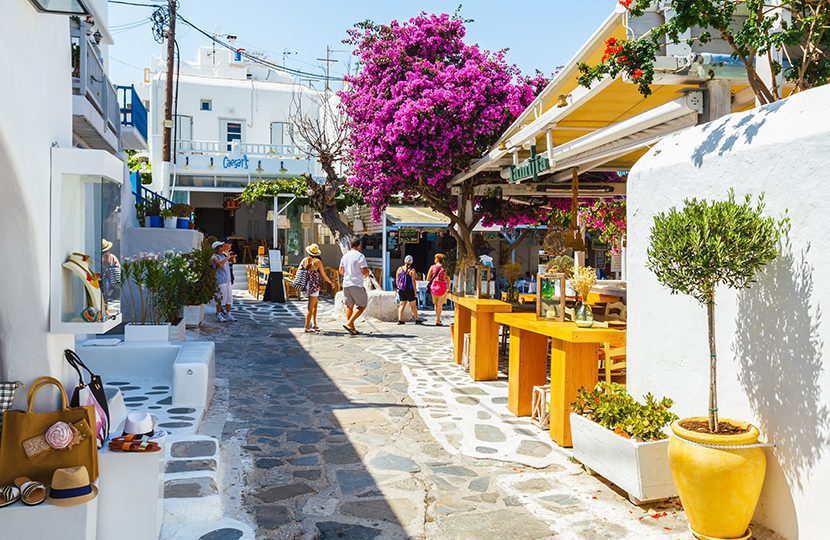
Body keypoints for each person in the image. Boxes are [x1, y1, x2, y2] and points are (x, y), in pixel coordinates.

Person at [339, 236, 370, 335]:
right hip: (356, 283)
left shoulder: (345, 256)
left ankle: (352, 329)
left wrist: (349, 274)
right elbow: (364, 270)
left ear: (350, 245)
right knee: (362, 305)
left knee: (349, 306)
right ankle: (349, 323)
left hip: (346, 283)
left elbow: (341, 271)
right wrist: (366, 273)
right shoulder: (360, 256)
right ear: (359, 246)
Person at [300, 244, 334, 333]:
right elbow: (323, 274)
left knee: (315, 304)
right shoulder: (317, 262)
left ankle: (314, 324)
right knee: (310, 307)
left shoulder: (305, 260)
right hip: (314, 286)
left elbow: (300, 271)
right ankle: (306, 327)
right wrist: (330, 282)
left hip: (307, 285)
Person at [211, 240, 236, 322]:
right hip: (220, 280)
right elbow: (220, 264)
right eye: (221, 246)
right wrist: (227, 258)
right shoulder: (214, 257)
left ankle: (228, 314)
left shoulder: (224, 255)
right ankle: (219, 314)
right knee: (220, 298)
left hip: (227, 280)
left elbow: (231, 263)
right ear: (217, 248)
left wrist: (231, 258)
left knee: (229, 299)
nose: (223, 247)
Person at [426, 253, 451, 326]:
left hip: (433, 287)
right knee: (440, 304)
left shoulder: (432, 267)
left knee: (436, 304)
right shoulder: (445, 268)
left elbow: (428, 278)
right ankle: (438, 320)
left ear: (436, 259)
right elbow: (448, 279)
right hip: (442, 287)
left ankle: (438, 319)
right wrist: (449, 287)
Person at [396, 255, 421, 325]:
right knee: (413, 305)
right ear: (411, 262)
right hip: (409, 290)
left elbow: (397, 279)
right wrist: (415, 291)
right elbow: (413, 282)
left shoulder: (399, 269)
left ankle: (400, 320)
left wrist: (398, 288)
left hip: (401, 289)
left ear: (404, 261)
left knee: (402, 305)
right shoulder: (412, 270)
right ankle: (417, 319)